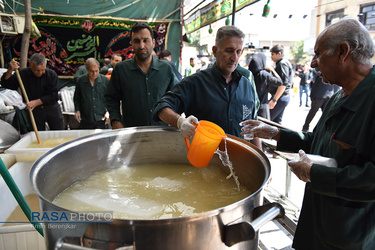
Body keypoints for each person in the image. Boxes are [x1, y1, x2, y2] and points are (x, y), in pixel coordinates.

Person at [241, 18, 375, 249]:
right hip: (316, 221)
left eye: (318, 54)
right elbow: (317, 142)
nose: (312, 63)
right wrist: (276, 133)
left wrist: (315, 175)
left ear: (343, 52)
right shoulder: (338, 96)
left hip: (350, 235)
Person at [153, 25, 261, 148]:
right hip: (205, 162)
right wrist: (180, 122)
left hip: (240, 162)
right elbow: (161, 107)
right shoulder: (195, 83)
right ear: (215, 51)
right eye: (229, 50)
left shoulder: (246, 85)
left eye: (238, 52)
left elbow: (253, 129)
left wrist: (261, 159)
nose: (234, 58)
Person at [105, 22, 178, 129]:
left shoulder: (166, 69)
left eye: (145, 40)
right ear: (131, 44)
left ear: (153, 42)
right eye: (137, 41)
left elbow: (174, 98)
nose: (141, 45)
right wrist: (115, 120)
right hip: (131, 133)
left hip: (161, 132)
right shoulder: (121, 70)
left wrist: (177, 120)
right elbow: (111, 98)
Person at [1, 53, 64, 131]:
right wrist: (10, 70)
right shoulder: (23, 74)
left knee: (58, 134)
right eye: (37, 70)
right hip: (35, 111)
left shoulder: (51, 74)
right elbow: (6, 84)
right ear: (30, 66)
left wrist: (36, 102)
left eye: (43, 70)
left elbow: (53, 96)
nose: (40, 72)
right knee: (38, 135)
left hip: (52, 108)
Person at [73, 58, 109, 129]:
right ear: (87, 70)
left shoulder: (105, 80)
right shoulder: (81, 81)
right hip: (86, 118)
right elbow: (77, 98)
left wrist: (108, 111)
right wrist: (77, 110)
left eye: (96, 71)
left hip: (101, 118)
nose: (94, 74)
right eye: (92, 71)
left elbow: (110, 98)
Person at [248, 52, 282, 120]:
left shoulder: (249, 73)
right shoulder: (263, 74)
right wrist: (272, 69)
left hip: (250, 106)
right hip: (262, 106)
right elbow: (279, 82)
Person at [269, 44, 293, 124]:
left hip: (280, 97)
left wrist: (274, 99)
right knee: (276, 122)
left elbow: (283, 84)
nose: (271, 57)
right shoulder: (283, 63)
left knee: (267, 120)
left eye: (272, 54)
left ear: (279, 54)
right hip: (282, 97)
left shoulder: (282, 64)